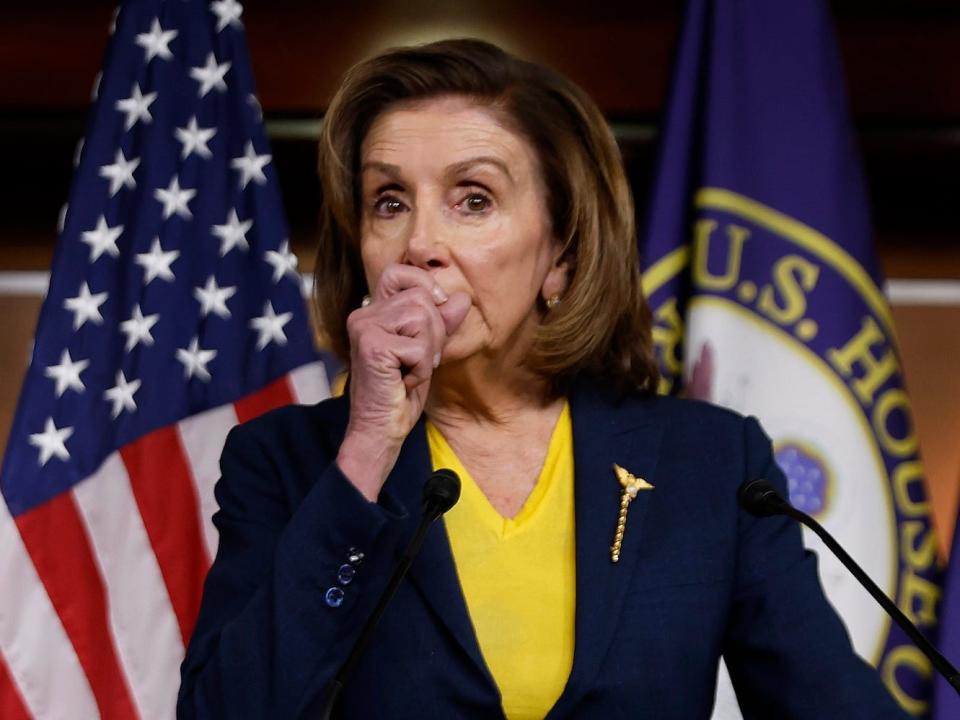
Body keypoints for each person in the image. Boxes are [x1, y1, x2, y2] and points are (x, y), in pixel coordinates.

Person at [177, 39, 907, 719]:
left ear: (561, 253)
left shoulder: (711, 465)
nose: (420, 244)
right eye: (389, 202)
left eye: (473, 199)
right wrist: (368, 447)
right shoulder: (285, 463)